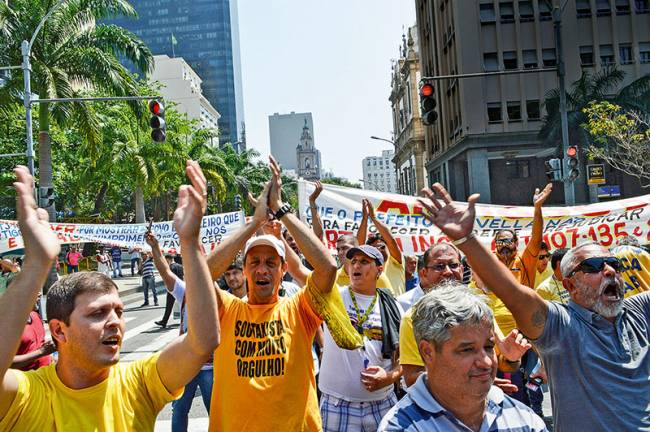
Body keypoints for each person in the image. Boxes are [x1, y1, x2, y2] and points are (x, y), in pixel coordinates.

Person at [0, 162, 220, 431]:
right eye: (97, 313)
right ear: (58, 330)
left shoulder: (138, 382)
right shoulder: (29, 396)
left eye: (119, 311)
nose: (115, 321)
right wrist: (36, 264)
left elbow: (203, 341)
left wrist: (190, 243)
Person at [418, 182, 650, 431]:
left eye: (613, 263)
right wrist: (466, 239)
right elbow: (514, 294)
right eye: (594, 266)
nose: (610, 271)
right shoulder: (562, 326)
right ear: (570, 286)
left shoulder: (640, 311)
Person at [204, 156, 338, 431]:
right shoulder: (228, 309)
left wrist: (281, 210)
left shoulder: (299, 309)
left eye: (270, 263)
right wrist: (254, 224)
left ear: (283, 270)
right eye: (254, 262)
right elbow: (202, 273)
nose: (262, 270)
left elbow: (327, 268)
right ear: (243, 270)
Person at [379, 285, 547, 432]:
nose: (486, 362)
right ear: (428, 352)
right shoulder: (400, 427)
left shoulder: (525, 419)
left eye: (489, 347)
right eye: (467, 350)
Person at [319, 245, 403, 432]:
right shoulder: (334, 297)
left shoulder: (394, 307)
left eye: (364, 262)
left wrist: (388, 378)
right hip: (337, 406)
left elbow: (407, 360)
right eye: (353, 261)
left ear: (379, 270)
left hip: (381, 405)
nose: (356, 266)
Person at [145, 232, 212, 432]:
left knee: (216, 411)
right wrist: (155, 248)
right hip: (186, 364)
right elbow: (165, 271)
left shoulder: (219, 294)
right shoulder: (184, 291)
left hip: (211, 366)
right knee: (179, 409)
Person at [357, 199, 406, 296]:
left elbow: (391, 241)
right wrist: (365, 219)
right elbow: (358, 246)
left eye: (382, 247)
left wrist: (374, 218)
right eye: (374, 249)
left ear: (389, 248)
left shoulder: (395, 261)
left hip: (397, 308)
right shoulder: (368, 266)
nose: (378, 250)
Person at [11, 300, 55, 371]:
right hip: (26, 379)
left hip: (46, 373)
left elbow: (39, 343)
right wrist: (42, 352)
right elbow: (8, 363)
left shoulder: (35, 315)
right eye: (35, 292)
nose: (39, 294)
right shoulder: (9, 326)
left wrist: (50, 357)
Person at [155, 254, 184, 328]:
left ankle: (164, 321)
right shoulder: (181, 266)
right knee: (183, 305)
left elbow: (169, 278)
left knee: (169, 306)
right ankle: (184, 321)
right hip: (182, 288)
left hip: (173, 289)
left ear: (168, 259)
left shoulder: (170, 267)